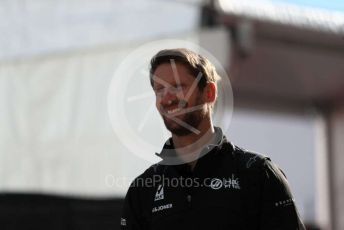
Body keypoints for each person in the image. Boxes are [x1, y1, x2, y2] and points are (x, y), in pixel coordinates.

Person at [120, 48, 305, 229]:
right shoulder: (143, 190)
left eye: (178, 86)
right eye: (159, 89)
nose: (167, 98)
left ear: (209, 92)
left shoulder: (259, 174)